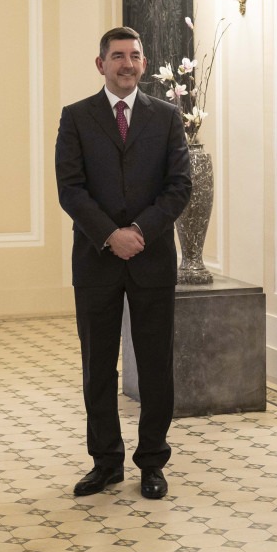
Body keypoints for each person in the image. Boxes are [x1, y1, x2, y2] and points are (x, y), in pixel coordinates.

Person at [54, 27, 192, 500]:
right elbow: (70, 188)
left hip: (152, 260)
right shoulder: (76, 117)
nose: (127, 64)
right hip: (96, 259)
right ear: (101, 64)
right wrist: (111, 235)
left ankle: (152, 461)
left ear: (143, 62)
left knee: (155, 366)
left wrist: (138, 232)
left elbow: (179, 186)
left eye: (134, 55)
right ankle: (106, 462)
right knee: (98, 367)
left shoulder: (167, 117)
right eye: (117, 56)